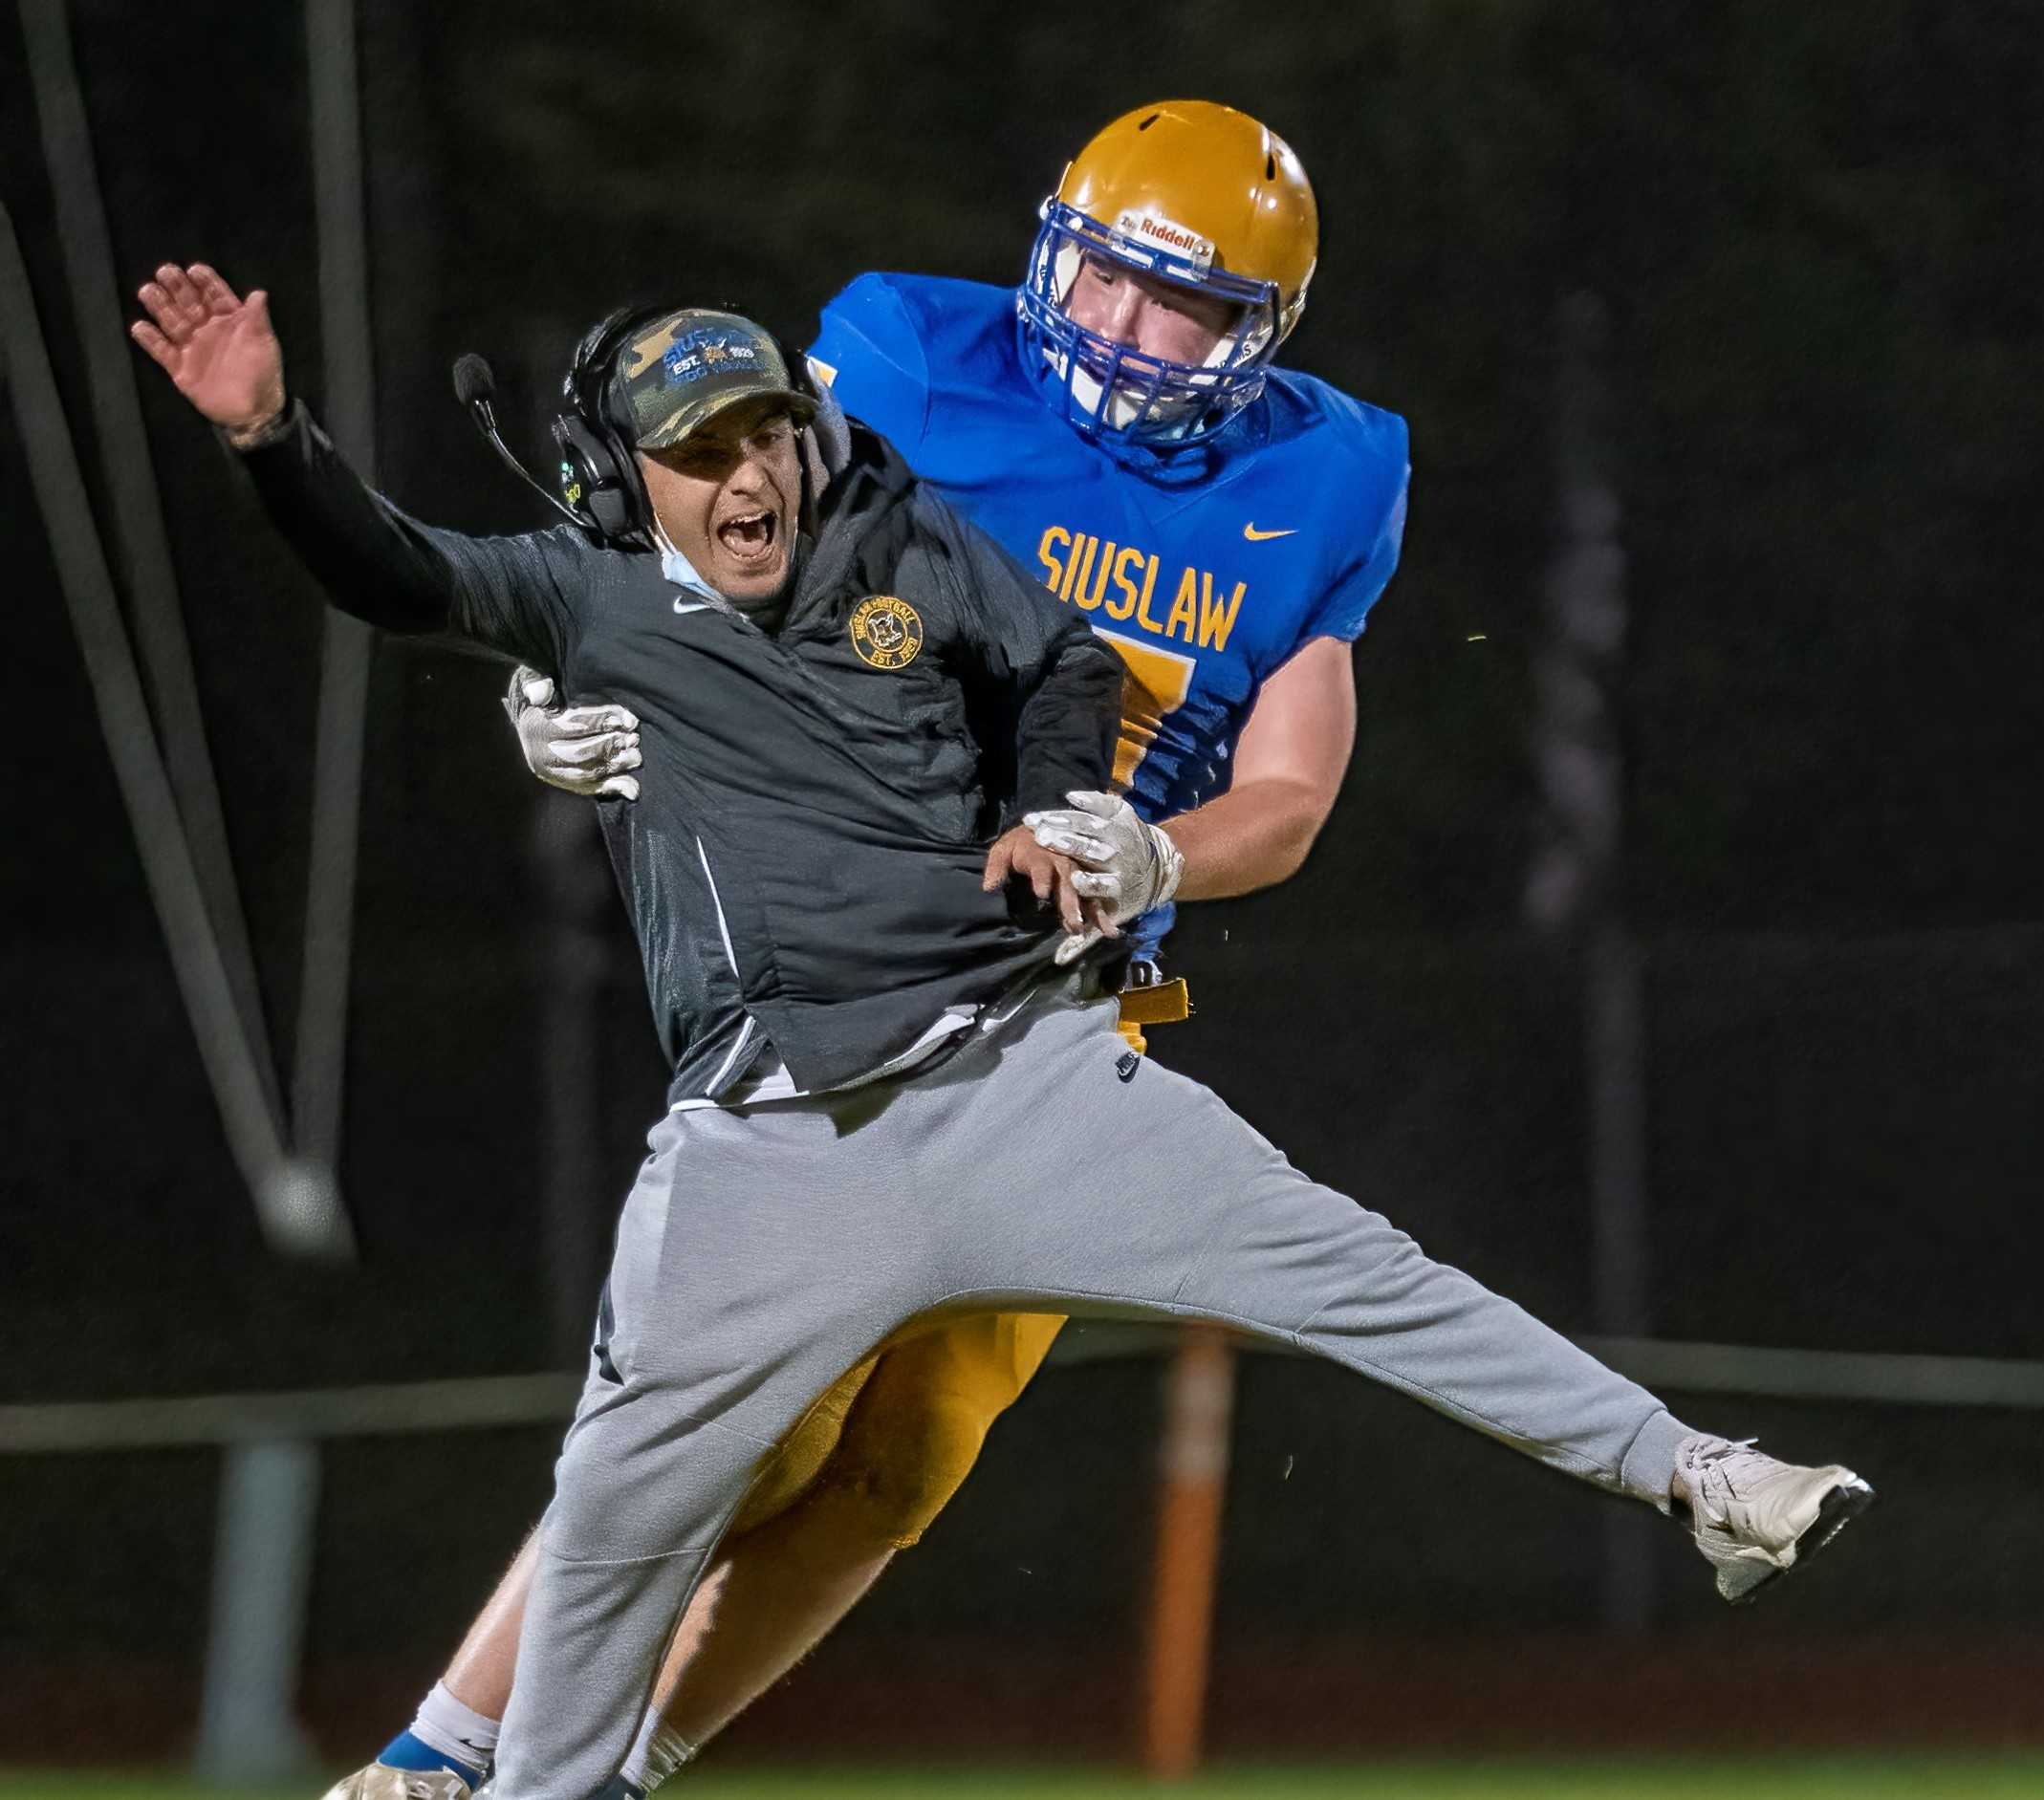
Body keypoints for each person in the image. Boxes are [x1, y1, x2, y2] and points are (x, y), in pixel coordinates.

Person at [133, 255, 1872, 1800]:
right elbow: (394, 573)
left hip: (1028, 1058)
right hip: (775, 1132)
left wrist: (1090, 821)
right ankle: (468, 1767)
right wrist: (282, 444)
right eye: (700, 449)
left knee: (1320, 1289)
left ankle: (1693, 1473)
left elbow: (1067, 673)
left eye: (764, 437)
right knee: (630, 1502)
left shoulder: (907, 528)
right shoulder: (617, 582)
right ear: (621, 480)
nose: (748, 472)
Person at [355, 99, 1413, 1800]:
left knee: (907, 1460)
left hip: (1075, 1004)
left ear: (1262, 331)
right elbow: (690, 539)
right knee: (742, 1419)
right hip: (861, 966)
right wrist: (552, 679)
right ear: (1050, 251)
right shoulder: (906, 361)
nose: (1140, 335)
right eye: (1119, 284)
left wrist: (1155, 845)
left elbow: (1288, 797)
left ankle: (620, 1767)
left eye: (1194, 308)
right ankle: (430, 1763)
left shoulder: (1332, 472)